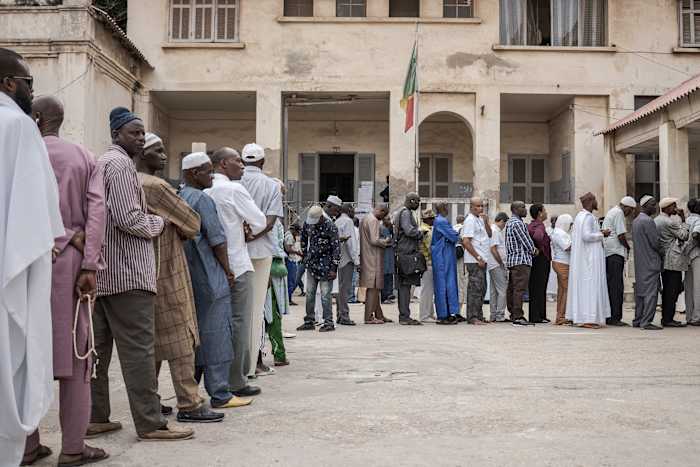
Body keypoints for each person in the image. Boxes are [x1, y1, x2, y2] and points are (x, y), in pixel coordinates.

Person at [90, 107, 192, 441]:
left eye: (142, 132)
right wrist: (160, 223)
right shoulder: (119, 166)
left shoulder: (105, 163)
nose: (141, 138)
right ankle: (150, 423)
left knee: (97, 352)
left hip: (105, 273)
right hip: (127, 274)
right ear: (117, 133)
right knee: (139, 353)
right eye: (134, 132)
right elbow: (128, 218)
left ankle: (96, 416)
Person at [21, 95, 109, 466]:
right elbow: (97, 211)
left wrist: (55, 237)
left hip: (23, 262)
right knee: (76, 350)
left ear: (36, 118)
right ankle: (73, 447)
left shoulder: (19, 154)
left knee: (23, 354)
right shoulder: (84, 156)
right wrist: (88, 262)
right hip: (70, 266)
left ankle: (25, 446)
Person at [0, 49, 64, 467]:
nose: (29, 90)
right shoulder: (17, 126)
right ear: (8, 83)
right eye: (27, 82)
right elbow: (36, 217)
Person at [136, 134, 223, 423]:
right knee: (182, 335)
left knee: (152, 342)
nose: (164, 155)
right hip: (167, 266)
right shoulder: (157, 186)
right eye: (157, 151)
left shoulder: (125, 182)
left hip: (138, 269)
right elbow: (192, 222)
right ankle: (189, 402)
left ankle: (150, 400)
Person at [178, 153, 251, 410]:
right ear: (195, 173)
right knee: (219, 333)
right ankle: (221, 393)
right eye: (208, 172)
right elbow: (217, 239)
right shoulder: (202, 199)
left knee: (196, 336)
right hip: (210, 274)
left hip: (190, 276)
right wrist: (228, 270)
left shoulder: (181, 196)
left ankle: (190, 392)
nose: (212, 176)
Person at [205, 147, 266, 397]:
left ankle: (215, 379)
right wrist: (246, 229)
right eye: (237, 161)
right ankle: (237, 381)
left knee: (216, 324)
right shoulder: (233, 189)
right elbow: (260, 220)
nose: (242, 165)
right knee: (240, 323)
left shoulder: (205, 191)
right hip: (237, 265)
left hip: (212, 266)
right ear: (222, 165)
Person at [240, 143, 284, 376]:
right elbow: (270, 221)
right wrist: (253, 235)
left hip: (236, 250)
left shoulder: (234, 184)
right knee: (257, 310)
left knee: (237, 309)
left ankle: (237, 366)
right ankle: (252, 365)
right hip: (260, 251)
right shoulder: (271, 185)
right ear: (263, 162)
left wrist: (243, 236)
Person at [565, 192, 612, 328]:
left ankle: (583, 317)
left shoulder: (581, 216)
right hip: (589, 259)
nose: (597, 202)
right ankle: (588, 318)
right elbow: (586, 236)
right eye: (595, 200)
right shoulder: (588, 217)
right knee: (590, 286)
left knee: (586, 286)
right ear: (590, 201)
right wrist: (602, 234)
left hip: (586, 258)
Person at [296, 205, 341, 332]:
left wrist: (334, 268)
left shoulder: (331, 227)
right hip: (312, 265)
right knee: (309, 294)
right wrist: (304, 255)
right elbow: (304, 239)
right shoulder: (308, 223)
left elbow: (336, 249)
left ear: (321, 217)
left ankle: (328, 323)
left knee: (325, 296)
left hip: (326, 267)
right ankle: (309, 321)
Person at [602, 196, 637, 326]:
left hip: (610, 253)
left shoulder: (613, 211)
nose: (631, 213)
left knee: (612, 286)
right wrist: (628, 247)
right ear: (626, 207)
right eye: (631, 210)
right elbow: (621, 235)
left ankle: (610, 316)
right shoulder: (619, 213)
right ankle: (615, 318)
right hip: (615, 254)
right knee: (616, 287)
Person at [655, 197, 689, 328]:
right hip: (673, 260)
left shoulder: (657, 220)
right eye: (674, 206)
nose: (676, 209)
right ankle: (668, 319)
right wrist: (683, 219)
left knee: (669, 289)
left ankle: (666, 317)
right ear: (667, 208)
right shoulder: (669, 222)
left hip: (664, 259)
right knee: (672, 290)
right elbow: (684, 235)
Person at [632, 196, 663, 330]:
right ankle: (646, 322)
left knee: (640, 293)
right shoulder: (648, 221)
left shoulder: (636, 221)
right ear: (645, 206)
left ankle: (638, 320)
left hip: (640, 263)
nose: (655, 207)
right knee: (651, 294)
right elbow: (655, 243)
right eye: (653, 204)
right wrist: (663, 251)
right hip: (651, 262)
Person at [394, 193, 425, 325]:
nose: (418, 205)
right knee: (405, 286)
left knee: (404, 285)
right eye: (417, 202)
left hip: (402, 252)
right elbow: (409, 231)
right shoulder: (406, 213)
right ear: (411, 201)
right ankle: (404, 316)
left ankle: (404, 315)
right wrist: (420, 233)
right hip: (406, 253)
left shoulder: (401, 211)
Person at [505, 201, 536, 327]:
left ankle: (513, 313)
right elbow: (526, 240)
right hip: (521, 261)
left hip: (513, 260)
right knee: (519, 289)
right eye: (523, 207)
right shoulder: (517, 223)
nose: (525, 209)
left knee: (512, 289)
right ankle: (518, 316)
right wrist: (534, 250)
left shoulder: (510, 222)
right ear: (515, 209)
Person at [360, 205, 393, 324]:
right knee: (373, 288)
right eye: (383, 216)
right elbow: (374, 240)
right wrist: (386, 241)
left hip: (368, 256)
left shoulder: (365, 218)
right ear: (381, 211)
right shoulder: (373, 220)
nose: (382, 219)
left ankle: (379, 315)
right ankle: (368, 317)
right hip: (374, 258)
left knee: (375, 288)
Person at [462, 198, 492, 325]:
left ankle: (479, 315)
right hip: (474, 260)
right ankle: (472, 316)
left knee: (482, 288)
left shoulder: (480, 219)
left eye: (482, 206)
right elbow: (466, 241)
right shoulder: (469, 220)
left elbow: (490, 235)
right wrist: (478, 257)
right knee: (475, 288)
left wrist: (486, 222)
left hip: (483, 259)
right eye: (478, 206)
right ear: (471, 207)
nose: (481, 208)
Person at [432, 203, 462, 325]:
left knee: (447, 284)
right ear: (444, 209)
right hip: (443, 256)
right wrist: (458, 233)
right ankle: (444, 315)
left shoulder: (439, 220)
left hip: (445, 255)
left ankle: (449, 313)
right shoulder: (441, 221)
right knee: (444, 285)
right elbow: (454, 236)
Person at [266, 217, 290, 366]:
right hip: (268, 270)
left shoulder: (273, 221)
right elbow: (274, 248)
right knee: (272, 315)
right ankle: (279, 354)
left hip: (267, 268)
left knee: (271, 315)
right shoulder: (271, 222)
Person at [335, 202, 359, 325]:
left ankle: (339, 314)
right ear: (349, 210)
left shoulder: (338, 221)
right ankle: (344, 316)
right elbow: (351, 243)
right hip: (347, 259)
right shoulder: (348, 222)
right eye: (353, 209)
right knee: (345, 289)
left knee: (340, 288)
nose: (354, 211)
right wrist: (356, 260)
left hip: (339, 259)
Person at [527, 203, 551, 324]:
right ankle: (538, 316)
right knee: (540, 288)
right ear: (540, 213)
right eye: (545, 211)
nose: (546, 213)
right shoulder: (539, 226)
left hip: (534, 260)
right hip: (541, 260)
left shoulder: (531, 225)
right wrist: (540, 247)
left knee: (535, 287)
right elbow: (538, 237)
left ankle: (537, 314)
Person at [550, 214, 573, 325]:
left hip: (562, 263)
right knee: (566, 291)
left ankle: (560, 315)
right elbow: (567, 247)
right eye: (570, 224)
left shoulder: (560, 232)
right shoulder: (559, 233)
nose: (571, 226)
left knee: (562, 291)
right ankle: (561, 316)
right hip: (562, 263)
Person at [488, 212, 509, 322]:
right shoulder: (495, 230)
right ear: (501, 221)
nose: (504, 226)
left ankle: (493, 315)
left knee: (494, 291)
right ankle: (500, 315)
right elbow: (493, 249)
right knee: (502, 290)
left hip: (493, 264)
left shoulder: (493, 229)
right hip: (496, 264)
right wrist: (501, 263)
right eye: (504, 224)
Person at [684, 198, 700, 326]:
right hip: (696, 255)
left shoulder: (687, 219)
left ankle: (689, 316)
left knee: (688, 287)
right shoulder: (698, 220)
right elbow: (695, 235)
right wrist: (691, 246)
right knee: (698, 287)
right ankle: (697, 317)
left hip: (686, 256)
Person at [419, 209, 437, 323]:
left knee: (428, 289)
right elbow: (431, 248)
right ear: (429, 219)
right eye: (433, 218)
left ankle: (429, 313)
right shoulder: (427, 231)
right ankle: (424, 316)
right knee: (427, 290)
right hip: (428, 262)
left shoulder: (423, 228)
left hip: (424, 262)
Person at [284, 224, 303, 305]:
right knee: (291, 281)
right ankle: (288, 300)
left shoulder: (287, 234)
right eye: (298, 232)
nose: (298, 234)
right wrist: (297, 253)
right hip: (290, 260)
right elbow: (288, 249)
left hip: (290, 260)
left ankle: (288, 299)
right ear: (294, 230)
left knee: (291, 281)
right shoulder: (290, 237)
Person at [380, 216, 396, 303]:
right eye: (387, 219)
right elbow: (380, 241)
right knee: (385, 276)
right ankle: (384, 297)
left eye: (390, 219)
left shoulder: (388, 229)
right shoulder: (381, 228)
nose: (389, 221)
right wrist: (388, 242)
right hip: (385, 255)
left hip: (390, 255)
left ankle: (389, 295)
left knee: (389, 275)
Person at [454, 214, 468, 309]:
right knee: (462, 283)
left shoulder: (453, 227)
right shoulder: (463, 228)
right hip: (462, 258)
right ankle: (459, 309)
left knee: (457, 282)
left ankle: (456, 309)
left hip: (454, 258)